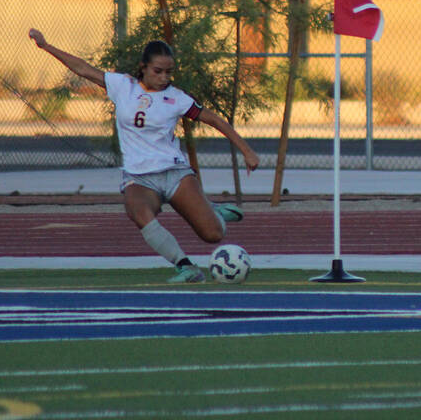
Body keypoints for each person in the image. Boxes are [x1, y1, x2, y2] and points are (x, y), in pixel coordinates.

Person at [28, 28, 260, 282]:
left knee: (213, 235)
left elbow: (214, 119)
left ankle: (211, 211)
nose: (163, 78)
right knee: (137, 211)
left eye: (169, 72)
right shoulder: (122, 86)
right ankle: (186, 267)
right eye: (157, 71)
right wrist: (46, 46)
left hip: (174, 173)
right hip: (139, 178)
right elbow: (83, 69)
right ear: (144, 67)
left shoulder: (176, 98)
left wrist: (246, 151)